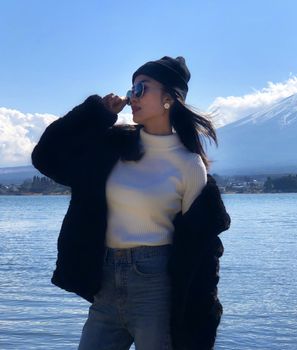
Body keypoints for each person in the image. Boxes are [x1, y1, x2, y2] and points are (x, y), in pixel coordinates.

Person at [31, 56, 231, 350]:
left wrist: (201, 315)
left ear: (169, 99)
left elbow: (200, 247)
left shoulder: (189, 165)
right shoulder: (113, 145)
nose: (130, 96)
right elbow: (46, 157)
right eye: (131, 88)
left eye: (141, 88)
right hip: (106, 281)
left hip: (155, 285)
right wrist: (95, 114)